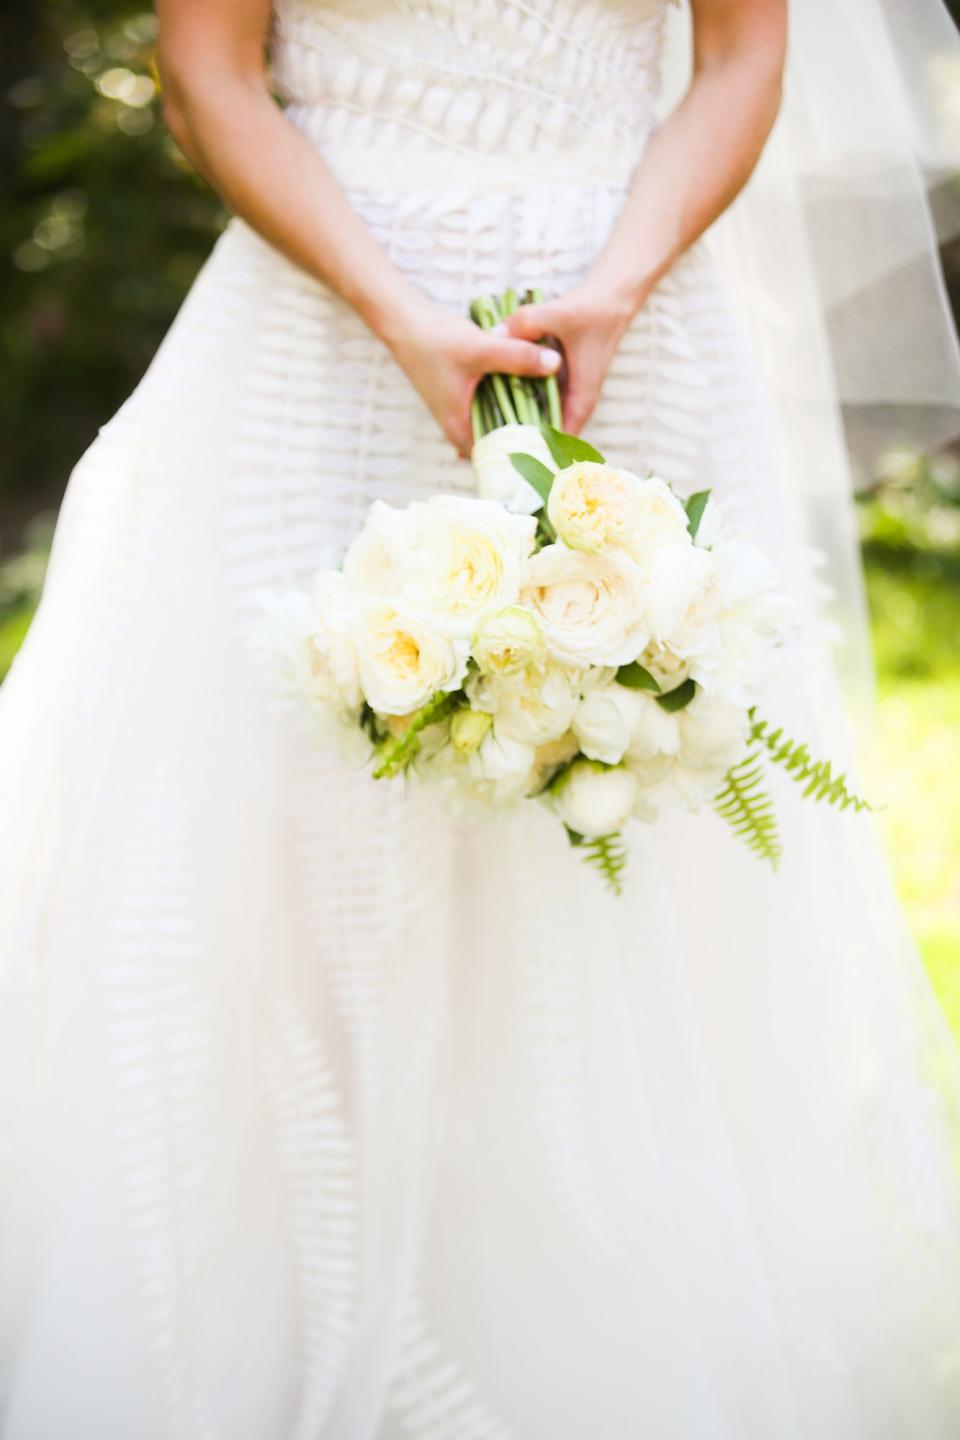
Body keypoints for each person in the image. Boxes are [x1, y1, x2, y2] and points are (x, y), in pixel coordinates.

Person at [3, 0, 960, 1434]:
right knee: (281, 853)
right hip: (318, 334)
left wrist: (619, 288)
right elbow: (208, 78)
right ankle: (312, 1327)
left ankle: (588, 1341)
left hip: (621, 333)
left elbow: (743, 55)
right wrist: (397, 310)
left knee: (637, 859)